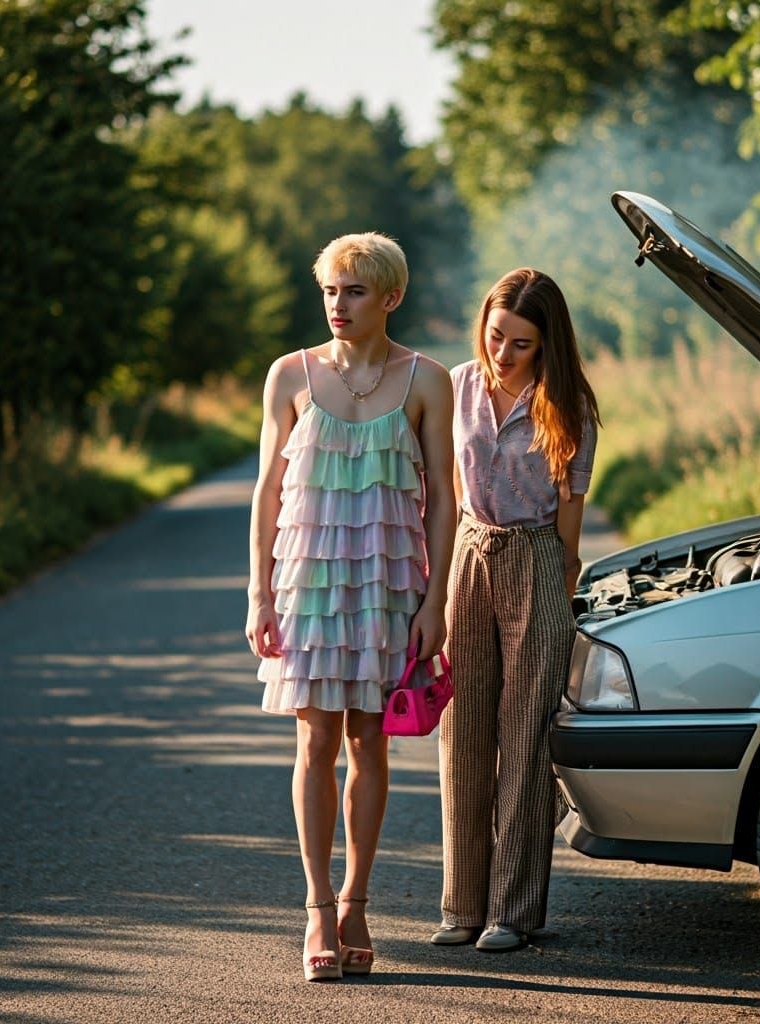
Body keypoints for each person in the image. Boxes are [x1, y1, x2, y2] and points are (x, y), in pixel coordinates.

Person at [246, 232, 456, 981]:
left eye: (356, 291)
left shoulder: (428, 380)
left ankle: (357, 901)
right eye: (331, 290)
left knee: (372, 741)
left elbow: (443, 501)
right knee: (314, 744)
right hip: (308, 583)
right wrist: (258, 591)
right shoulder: (289, 375)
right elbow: (268, 490)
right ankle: (315, 910)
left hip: (389, 582)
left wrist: (437, 600)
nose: (339, 303)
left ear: (390, 297)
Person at [431, 267, 599, 953]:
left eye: (520, 344)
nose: (502, 353)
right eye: (496, 336)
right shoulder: (454, 387)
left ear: (546, 345)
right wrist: (430, 587)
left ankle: (513, 911)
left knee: (526, 739)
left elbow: (571, 522)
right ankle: (462, 905)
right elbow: (438, 492)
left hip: (535, 555)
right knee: (462, 736)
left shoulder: (570, 406)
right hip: (470, 555)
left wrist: (559, 595)